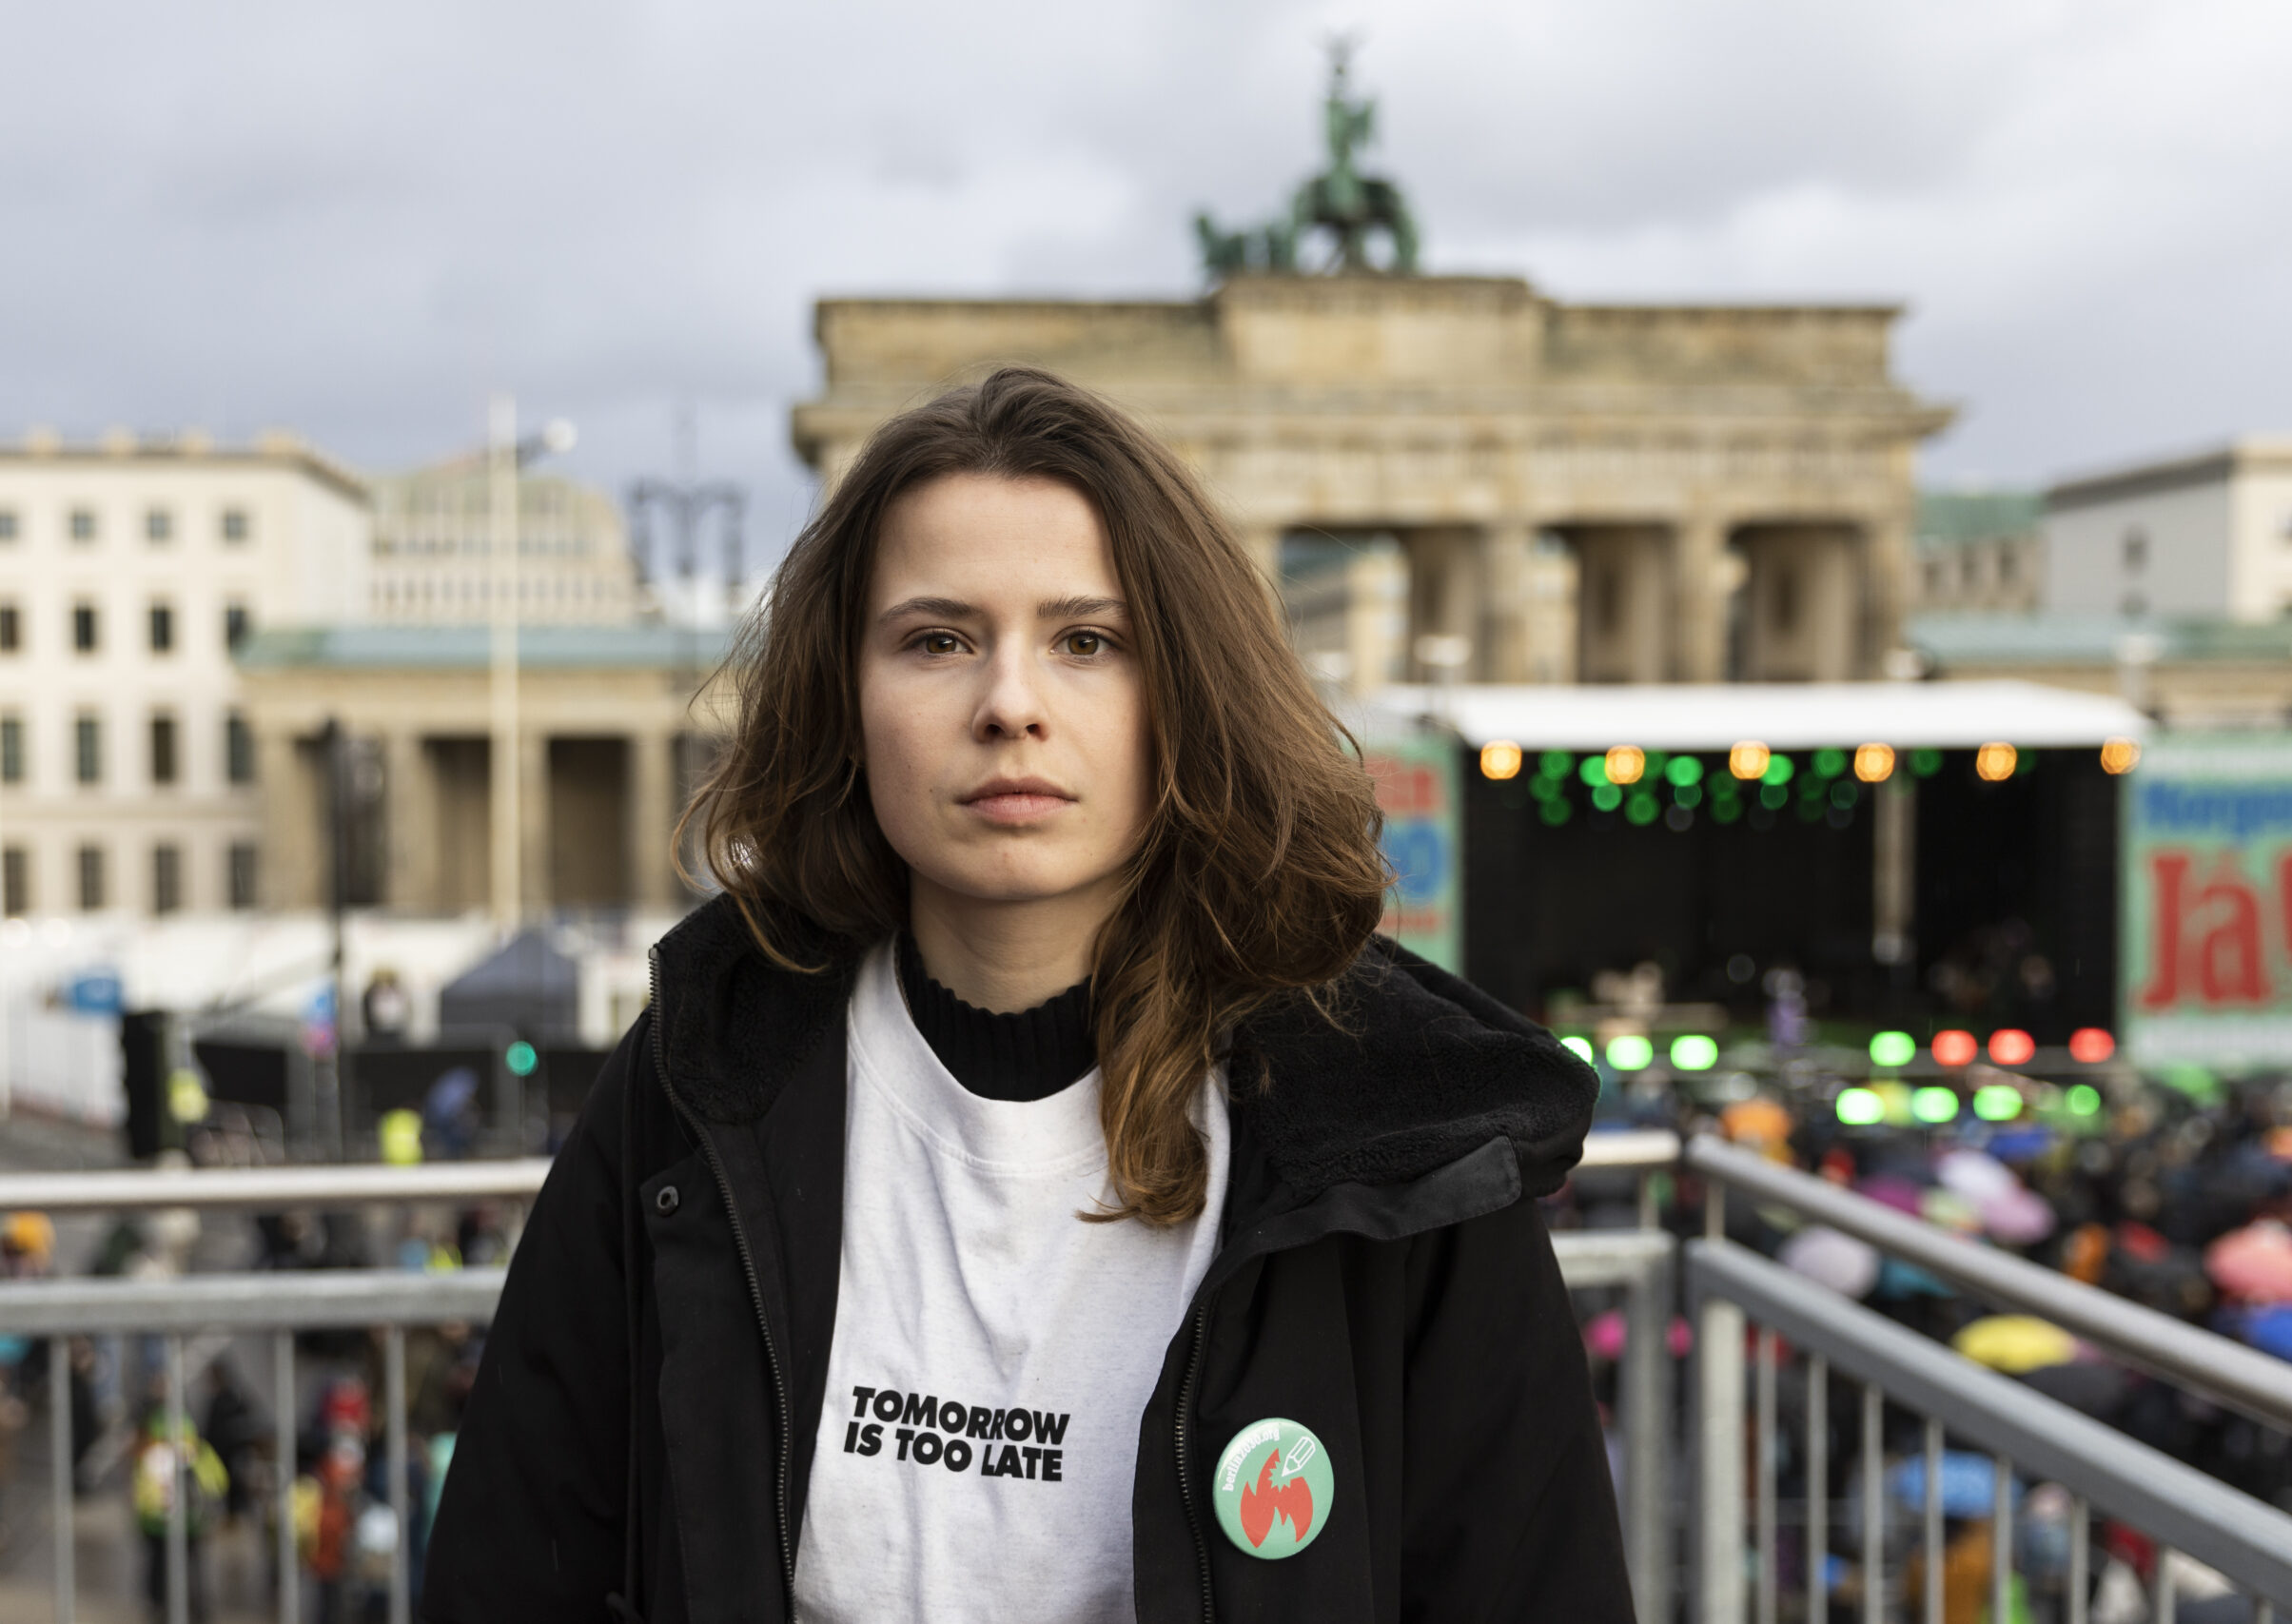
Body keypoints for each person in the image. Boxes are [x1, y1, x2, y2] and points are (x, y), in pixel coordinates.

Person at [423, 367, 1629, 1623]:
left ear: (1184, 693)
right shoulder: (699, 1078)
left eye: (1087, 642)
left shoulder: (1404, 1133)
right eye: (937, 640)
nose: (1011, 705)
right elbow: (510, 1570)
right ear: (847, 698)